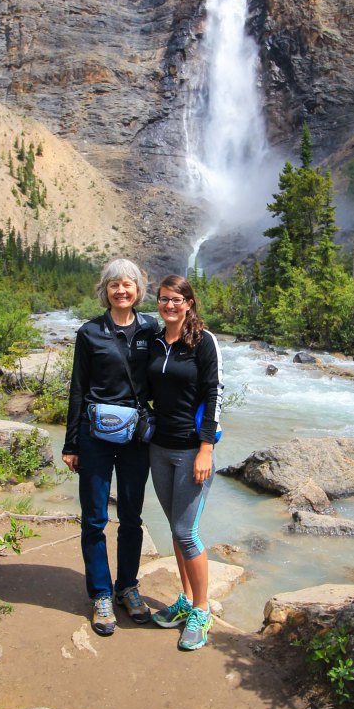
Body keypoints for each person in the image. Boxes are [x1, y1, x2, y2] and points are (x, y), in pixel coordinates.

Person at [62, 258, 158, 636]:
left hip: (136, 436)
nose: (121, 290)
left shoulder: (151, 330)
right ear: (105, 290)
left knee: (132, 517)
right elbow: (77, 388)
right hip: (94, 436)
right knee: (95, 519)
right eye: (114, 284)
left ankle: (128, 587)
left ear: (138, 290)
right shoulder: (89, 333)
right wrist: (72, 444)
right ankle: (101, 594)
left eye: (128, 284)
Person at [147, 273, 223, 650]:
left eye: (177, 299)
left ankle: (202, 610)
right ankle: (186, 599)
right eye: (164, 299)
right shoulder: (156, 341)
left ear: (189, 303)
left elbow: (214, 395)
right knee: (176, 529)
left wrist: (206, 449)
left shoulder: (204, 342)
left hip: (192, 450)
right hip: (158, 449)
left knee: (186, 532)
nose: (170, 305)